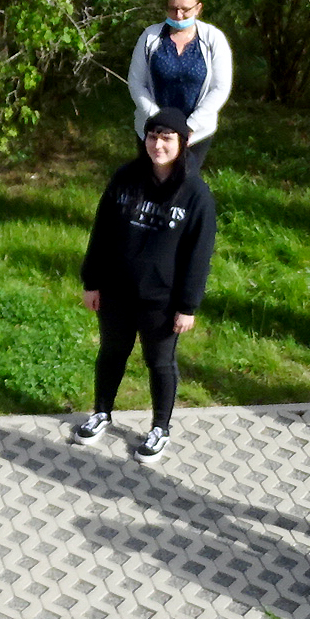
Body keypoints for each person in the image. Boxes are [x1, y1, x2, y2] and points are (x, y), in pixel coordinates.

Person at [72, 108, 218, 461]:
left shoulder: (196, 193)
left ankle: (160, 428)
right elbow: (101, 233)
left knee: (160, 363)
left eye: (167, 138)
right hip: (116, 291)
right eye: (153, 137)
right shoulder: (125, 179)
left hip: (162, 301)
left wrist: (188, 306)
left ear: (183, 143)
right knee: (111, 353)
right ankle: (102, 412)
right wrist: (92, 281)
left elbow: (199, 255)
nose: (158, 144)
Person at [127, 0, 233, 175]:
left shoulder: (213, 39)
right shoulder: (150, 37)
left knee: (183, 185)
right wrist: (157, 120)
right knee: (149, 182)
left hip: (196, 133)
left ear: (198, 8)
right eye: (172, 8)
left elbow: (220, 88)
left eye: (185, 9)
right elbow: (136, 83)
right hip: (153, 131)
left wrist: (189, 126)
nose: (178, 15)